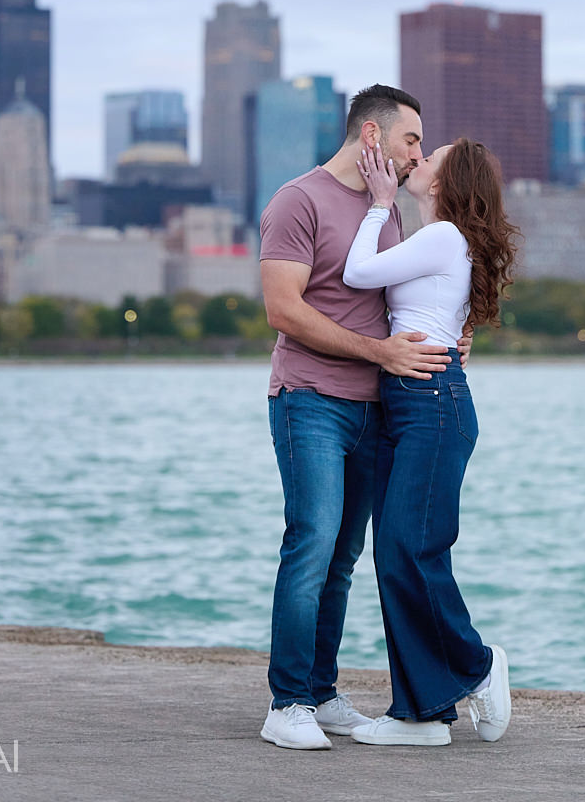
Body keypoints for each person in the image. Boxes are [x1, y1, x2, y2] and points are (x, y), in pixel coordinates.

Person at [259, 84, 460, 752]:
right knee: (311, 542)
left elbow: (403, 296)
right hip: (310, 399)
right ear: (372, 136)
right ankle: (286, 702)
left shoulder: (389, 211)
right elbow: (284, 310)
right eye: (411, 141)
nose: (418, 155)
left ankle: (320, 691)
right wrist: (377, 350)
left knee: (344, 558)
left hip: (378, 406)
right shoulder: (299, 199)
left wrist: (452, 335)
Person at [342, 137, 518, 746]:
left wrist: (377, 203)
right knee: (398, 554)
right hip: (412, 402)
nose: (418, 159)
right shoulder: (435, 239)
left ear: (449, 181)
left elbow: (358, 272)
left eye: (431, 156)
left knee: (407, 549)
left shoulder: (442, 237)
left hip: (432, 405)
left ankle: (476, 665)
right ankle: (420, 714)